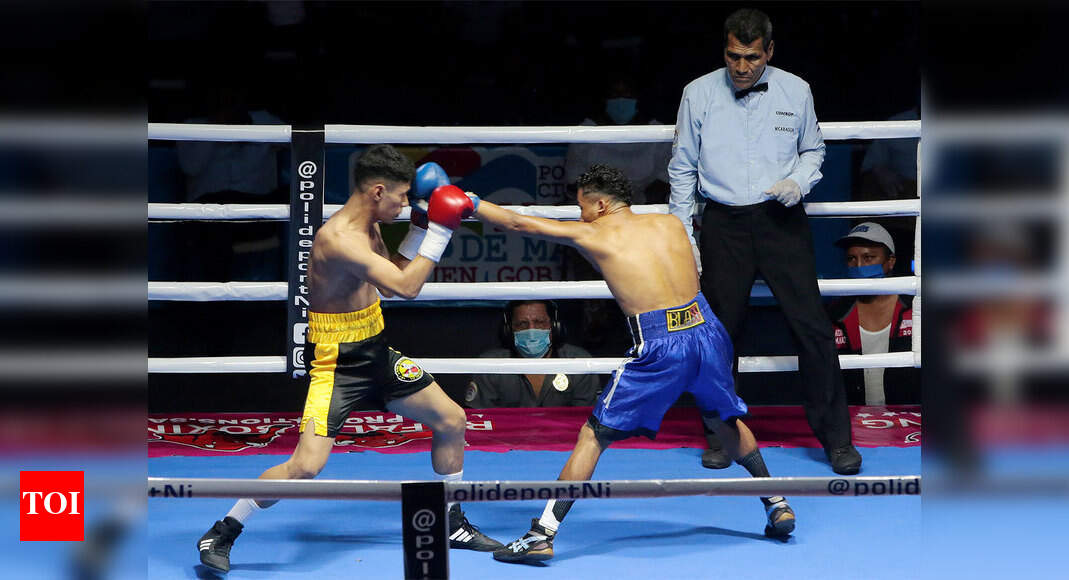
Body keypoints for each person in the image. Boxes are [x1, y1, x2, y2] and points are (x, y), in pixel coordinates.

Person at [461, 164, 795, 563]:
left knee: (593, 435)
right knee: (723, 420)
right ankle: (777, 503)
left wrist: (471, 203)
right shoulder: (670, 223)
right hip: (707, 329)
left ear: (602, 205)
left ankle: (541, 534)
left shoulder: (596, 233)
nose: (581, 215)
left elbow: (519, 223)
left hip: (660, 343)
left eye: (583, 206)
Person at [195, 150, 503, 573]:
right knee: (306, 466)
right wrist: (439, 230)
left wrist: (417, 229)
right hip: (337, 363)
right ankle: (223, 530)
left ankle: (451, 521)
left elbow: (388, 281)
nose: (405, 204)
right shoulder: (339, 239)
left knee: (452, 420)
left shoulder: (370, 225)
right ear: (377, 191)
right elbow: (407, 287)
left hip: (375, 350)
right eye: (400, 196)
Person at [668, 8, 862, 475]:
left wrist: (798, 181)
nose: (741, 67)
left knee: (812, 328)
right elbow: (682, 167)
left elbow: (814, 150)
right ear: (724, 50)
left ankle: (837, 440)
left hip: (781, 218)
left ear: (769, 51)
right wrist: (683, 235)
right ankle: (724, 438)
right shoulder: (698, 93)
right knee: (718, 335)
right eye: (733, 56)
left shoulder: (797, 90)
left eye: (751, 57)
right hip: (723, 224)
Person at [828, 222, 919, 405]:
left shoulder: (915, 309)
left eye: (868, 257)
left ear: (890, 262)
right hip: (854, 418)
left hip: (908, 418)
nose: (859, 266)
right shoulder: (835, 313)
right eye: (851, 259)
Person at [466, 300, 601, 408]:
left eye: (539, 322)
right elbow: (478, 422)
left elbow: (589, 421)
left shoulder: (579, 362)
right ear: (509, 330)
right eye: (522, 324)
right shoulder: (489, 366)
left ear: (554, 326)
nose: (531, 331)